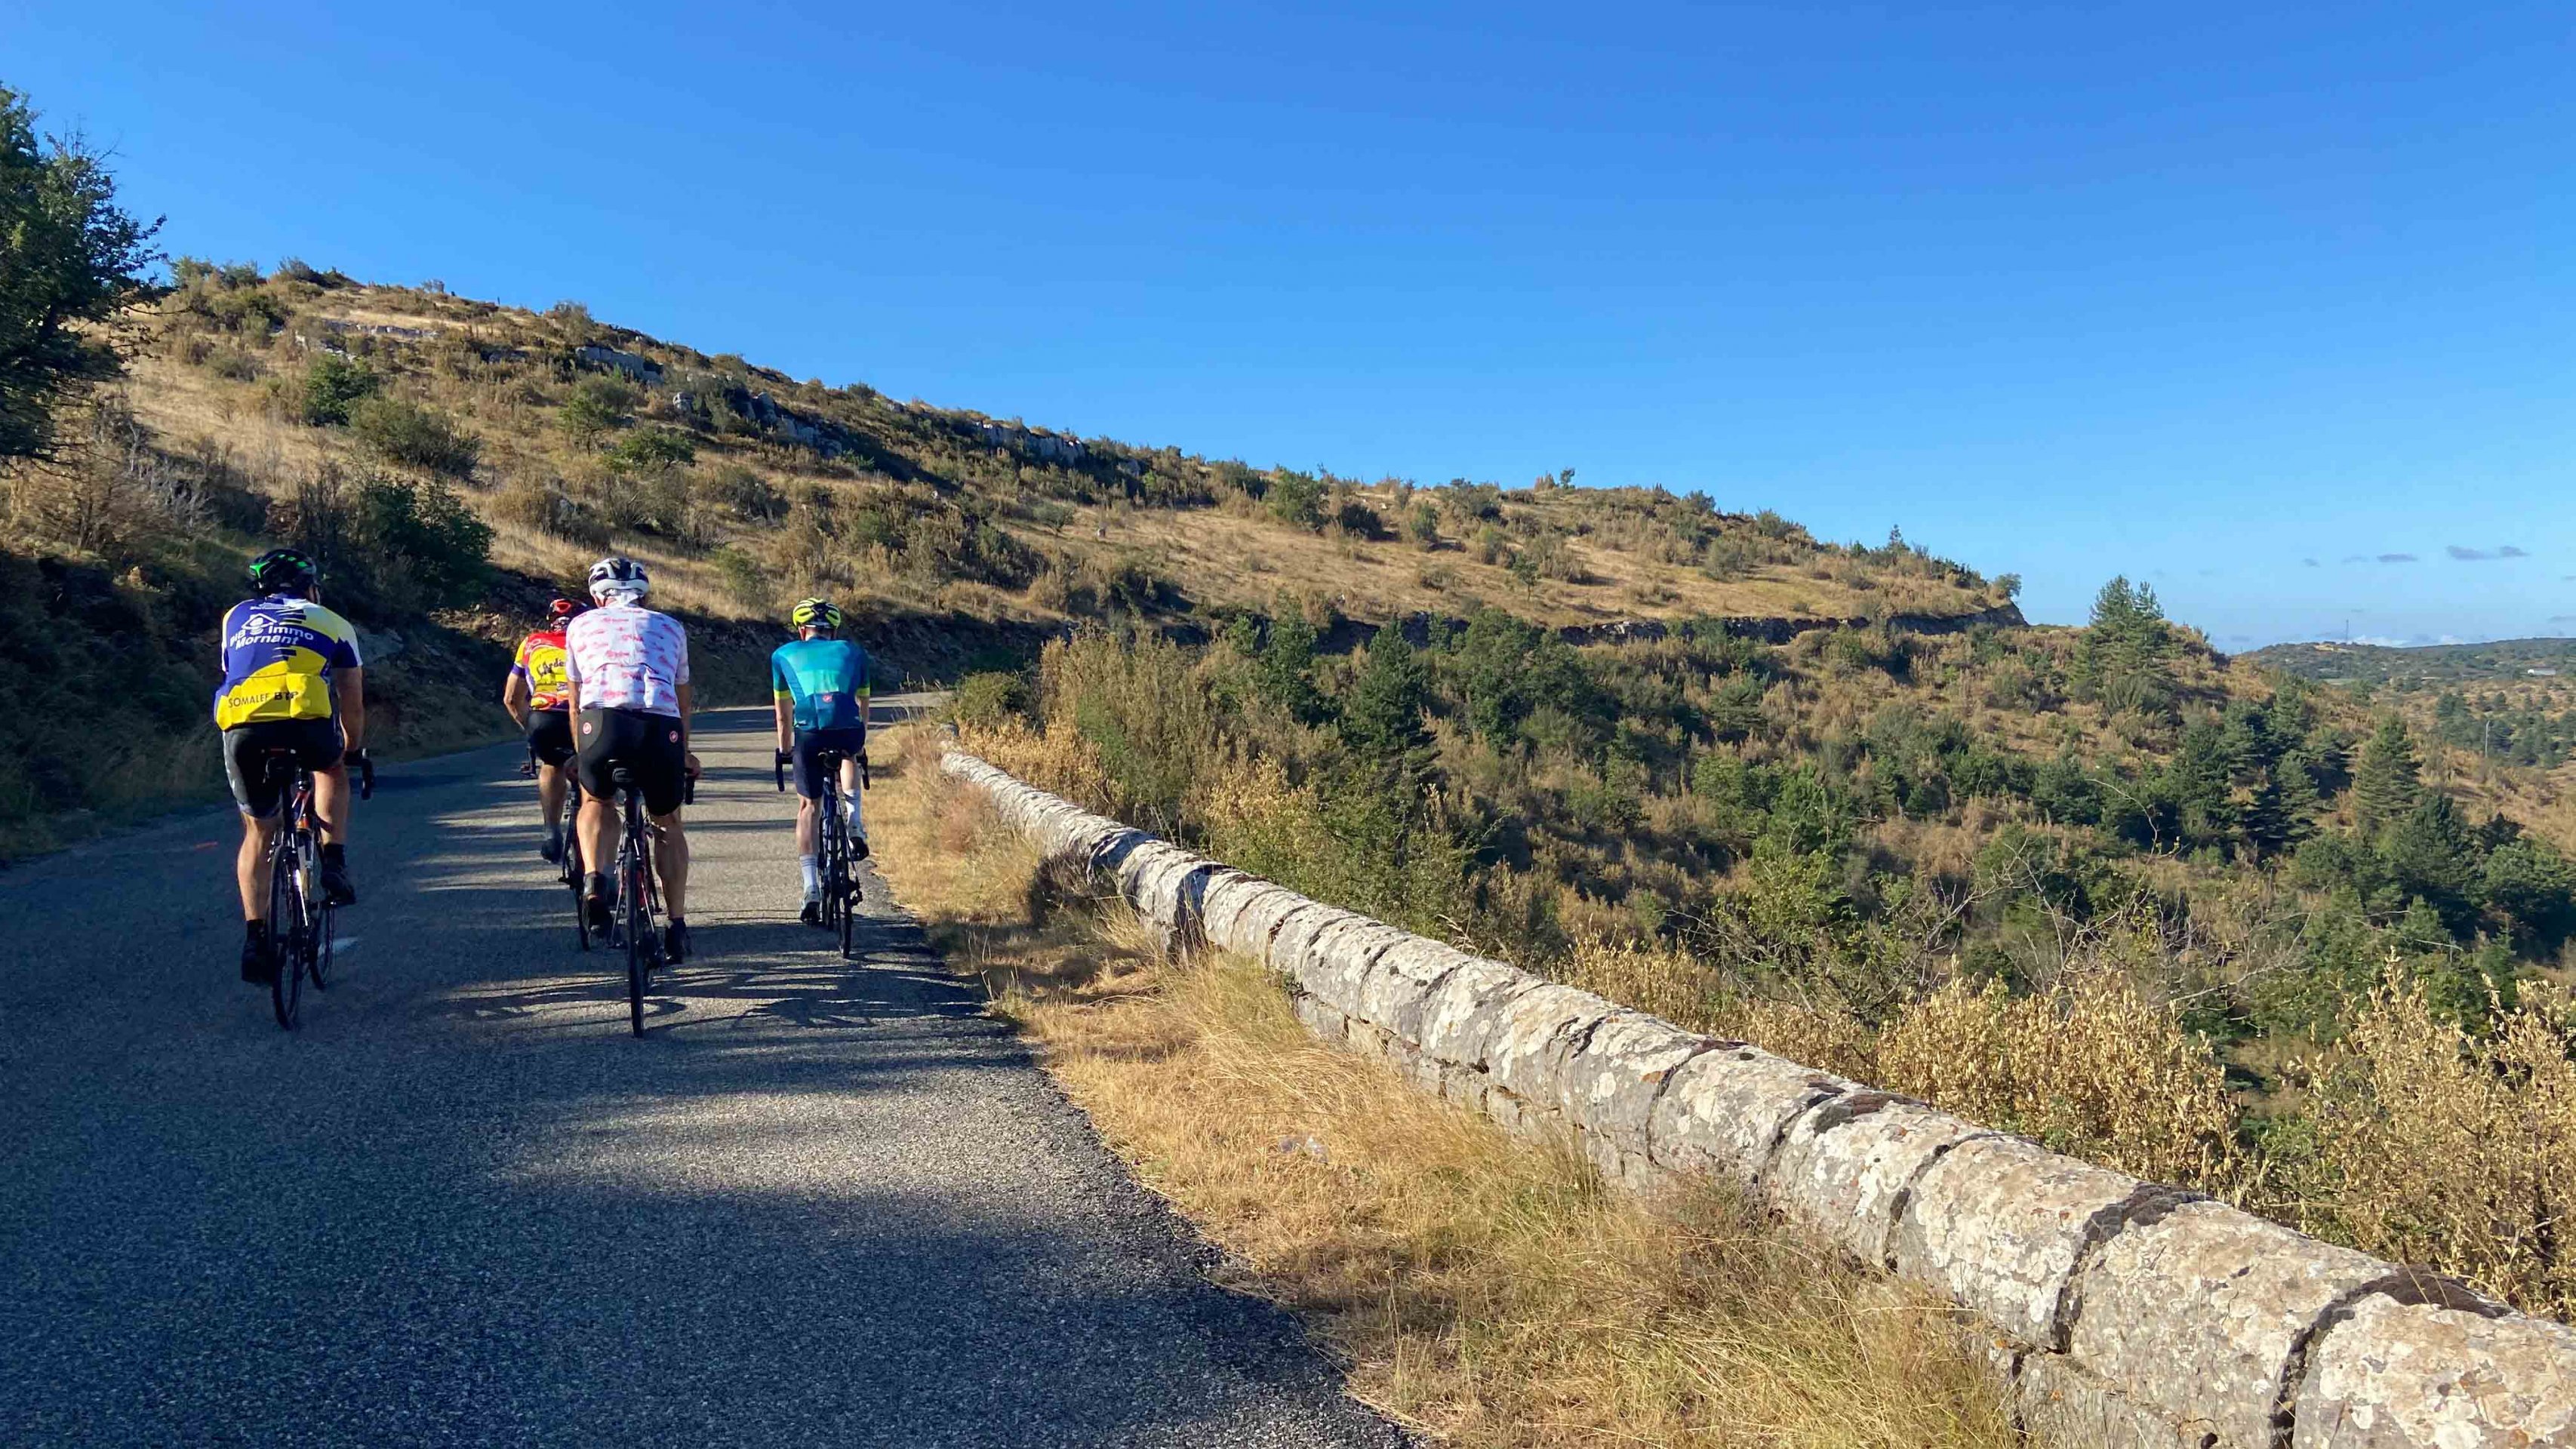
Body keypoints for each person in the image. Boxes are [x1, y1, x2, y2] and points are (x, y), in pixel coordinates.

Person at [213, 547, 367, 984]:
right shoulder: (332, 621)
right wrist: (352, 748)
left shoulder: (234, 616)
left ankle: (255, 938)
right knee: (330, 770)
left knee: (258, 830)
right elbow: (351, 699)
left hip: (243, 722)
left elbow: (232, 668)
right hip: (304, 718)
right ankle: (334, 860)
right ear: (308, 586)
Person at [563, 556, 700, 964]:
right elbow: (682, 698)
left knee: (597, 801)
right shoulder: (671, 627)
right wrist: (685, 750)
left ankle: (593, 880)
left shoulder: (579, 625)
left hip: (602, 724)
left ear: (595, 596)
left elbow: (576, 700)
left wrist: (579, 752)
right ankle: (676, 926)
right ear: (644, 595)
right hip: (660, 726)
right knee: (667, 822)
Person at [770, 597, 872, 925]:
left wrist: (785, 750)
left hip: (809, 733)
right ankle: (855, 820)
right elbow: (861, 706)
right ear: (834, 630)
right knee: (849, 754)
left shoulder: (782, 655)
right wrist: (860, 745)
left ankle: (811, 887)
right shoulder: (854, 652)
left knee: (808, 808)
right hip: (848, 730)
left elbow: (784, 717)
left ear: (802, 630)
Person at [503, 597, 583, 863]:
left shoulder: (531, 642)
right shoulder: (592, 641)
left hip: (543, 717)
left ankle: (551, 830)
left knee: (551, 763)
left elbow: (512, 699)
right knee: (594, 775)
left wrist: (530, 730)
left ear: (550, 621)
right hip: (586, 717)